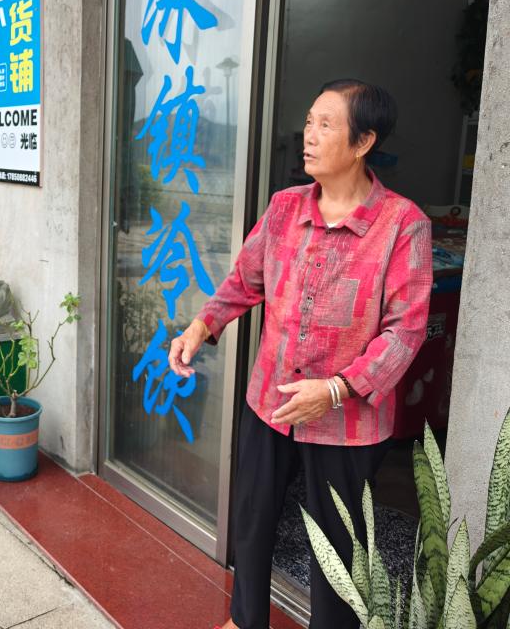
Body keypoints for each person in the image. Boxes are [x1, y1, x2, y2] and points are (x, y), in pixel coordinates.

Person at [169, 81, 432, 629]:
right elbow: (245, 280)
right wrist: (201, 325)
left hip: (347, 422)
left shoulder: (403, 224)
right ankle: (245, 620)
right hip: (271, 399)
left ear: (363, 142)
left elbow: (405, 333)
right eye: (309, 121)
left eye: (325, 125)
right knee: (253, 517)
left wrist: (335, 390)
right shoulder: (285, 207)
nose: (309, 135)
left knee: (336, 547)